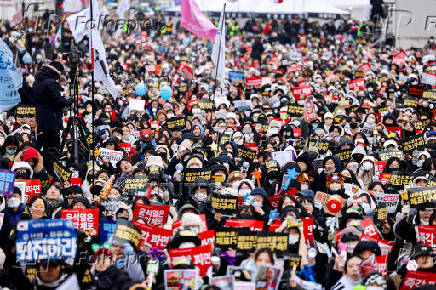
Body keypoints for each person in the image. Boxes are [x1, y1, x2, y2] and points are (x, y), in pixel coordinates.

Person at [33, 61, 72, 174]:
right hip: (52, 120)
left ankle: (46, 169)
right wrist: (68, 101)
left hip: (42, 119)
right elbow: (58, 101)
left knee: (45, 146)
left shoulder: (37, 82)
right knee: (53, 148)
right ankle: (52, 172)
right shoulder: (51, 82)